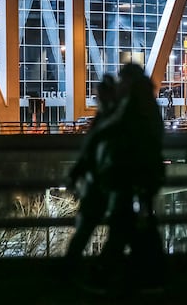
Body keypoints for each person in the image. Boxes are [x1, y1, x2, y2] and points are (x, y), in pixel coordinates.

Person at [81, 62, 166, 294]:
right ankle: (150, 277)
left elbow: (112, 130)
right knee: (138, 227)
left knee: (124, 227)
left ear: (128, 81)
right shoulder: (146, 102)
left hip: (132, 174)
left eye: (122, 80)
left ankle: (107, 275)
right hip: (142, 174)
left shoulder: (133, 104)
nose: (119, 83)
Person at [64, 74, 117, 272]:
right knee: (121, 229)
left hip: (101, 181)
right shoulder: (117, 117)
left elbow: (89, 150)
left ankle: (70, 269)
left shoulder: (104, 119)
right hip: (113, 182)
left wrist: (75, 174)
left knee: (86, 227)